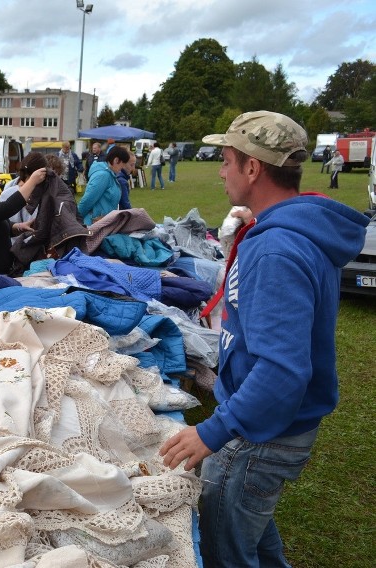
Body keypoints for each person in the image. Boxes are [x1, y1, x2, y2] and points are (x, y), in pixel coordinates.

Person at [160, 110, 369, 568]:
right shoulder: (287, 232)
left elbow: (281, 370)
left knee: (225, 552)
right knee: (248, 531)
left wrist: (213, 430)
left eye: (227, 159)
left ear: (252, 168)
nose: (219, 170)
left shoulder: (277, 249)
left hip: (262, 438)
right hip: (265, 425)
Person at [78, 145, 132, 224]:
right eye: (123, 163)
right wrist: (76, 220)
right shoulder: (103, 176)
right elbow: (87, 200)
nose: (123, 167)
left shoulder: (111, 174)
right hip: (94, 223)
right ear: (116, 160)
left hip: (103, 223)